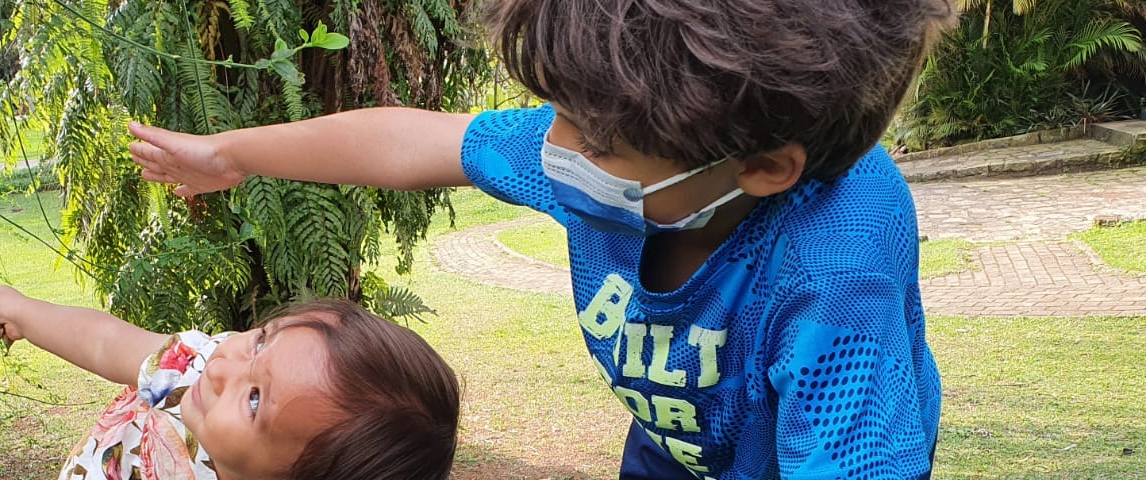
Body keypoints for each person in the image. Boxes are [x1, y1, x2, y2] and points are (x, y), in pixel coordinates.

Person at [125, 0, 957, 477]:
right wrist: (227, 155)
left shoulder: (838, 274)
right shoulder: (630, 138)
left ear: (766, 168)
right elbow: (415, 142)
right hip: (674, 454)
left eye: (593, 144)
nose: (552, 151)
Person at [0, 286, 460, 480]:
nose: (222, 367)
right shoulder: (194, 367)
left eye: (255, 399)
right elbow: (106, 342)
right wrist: (26, 311)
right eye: (262, 341)